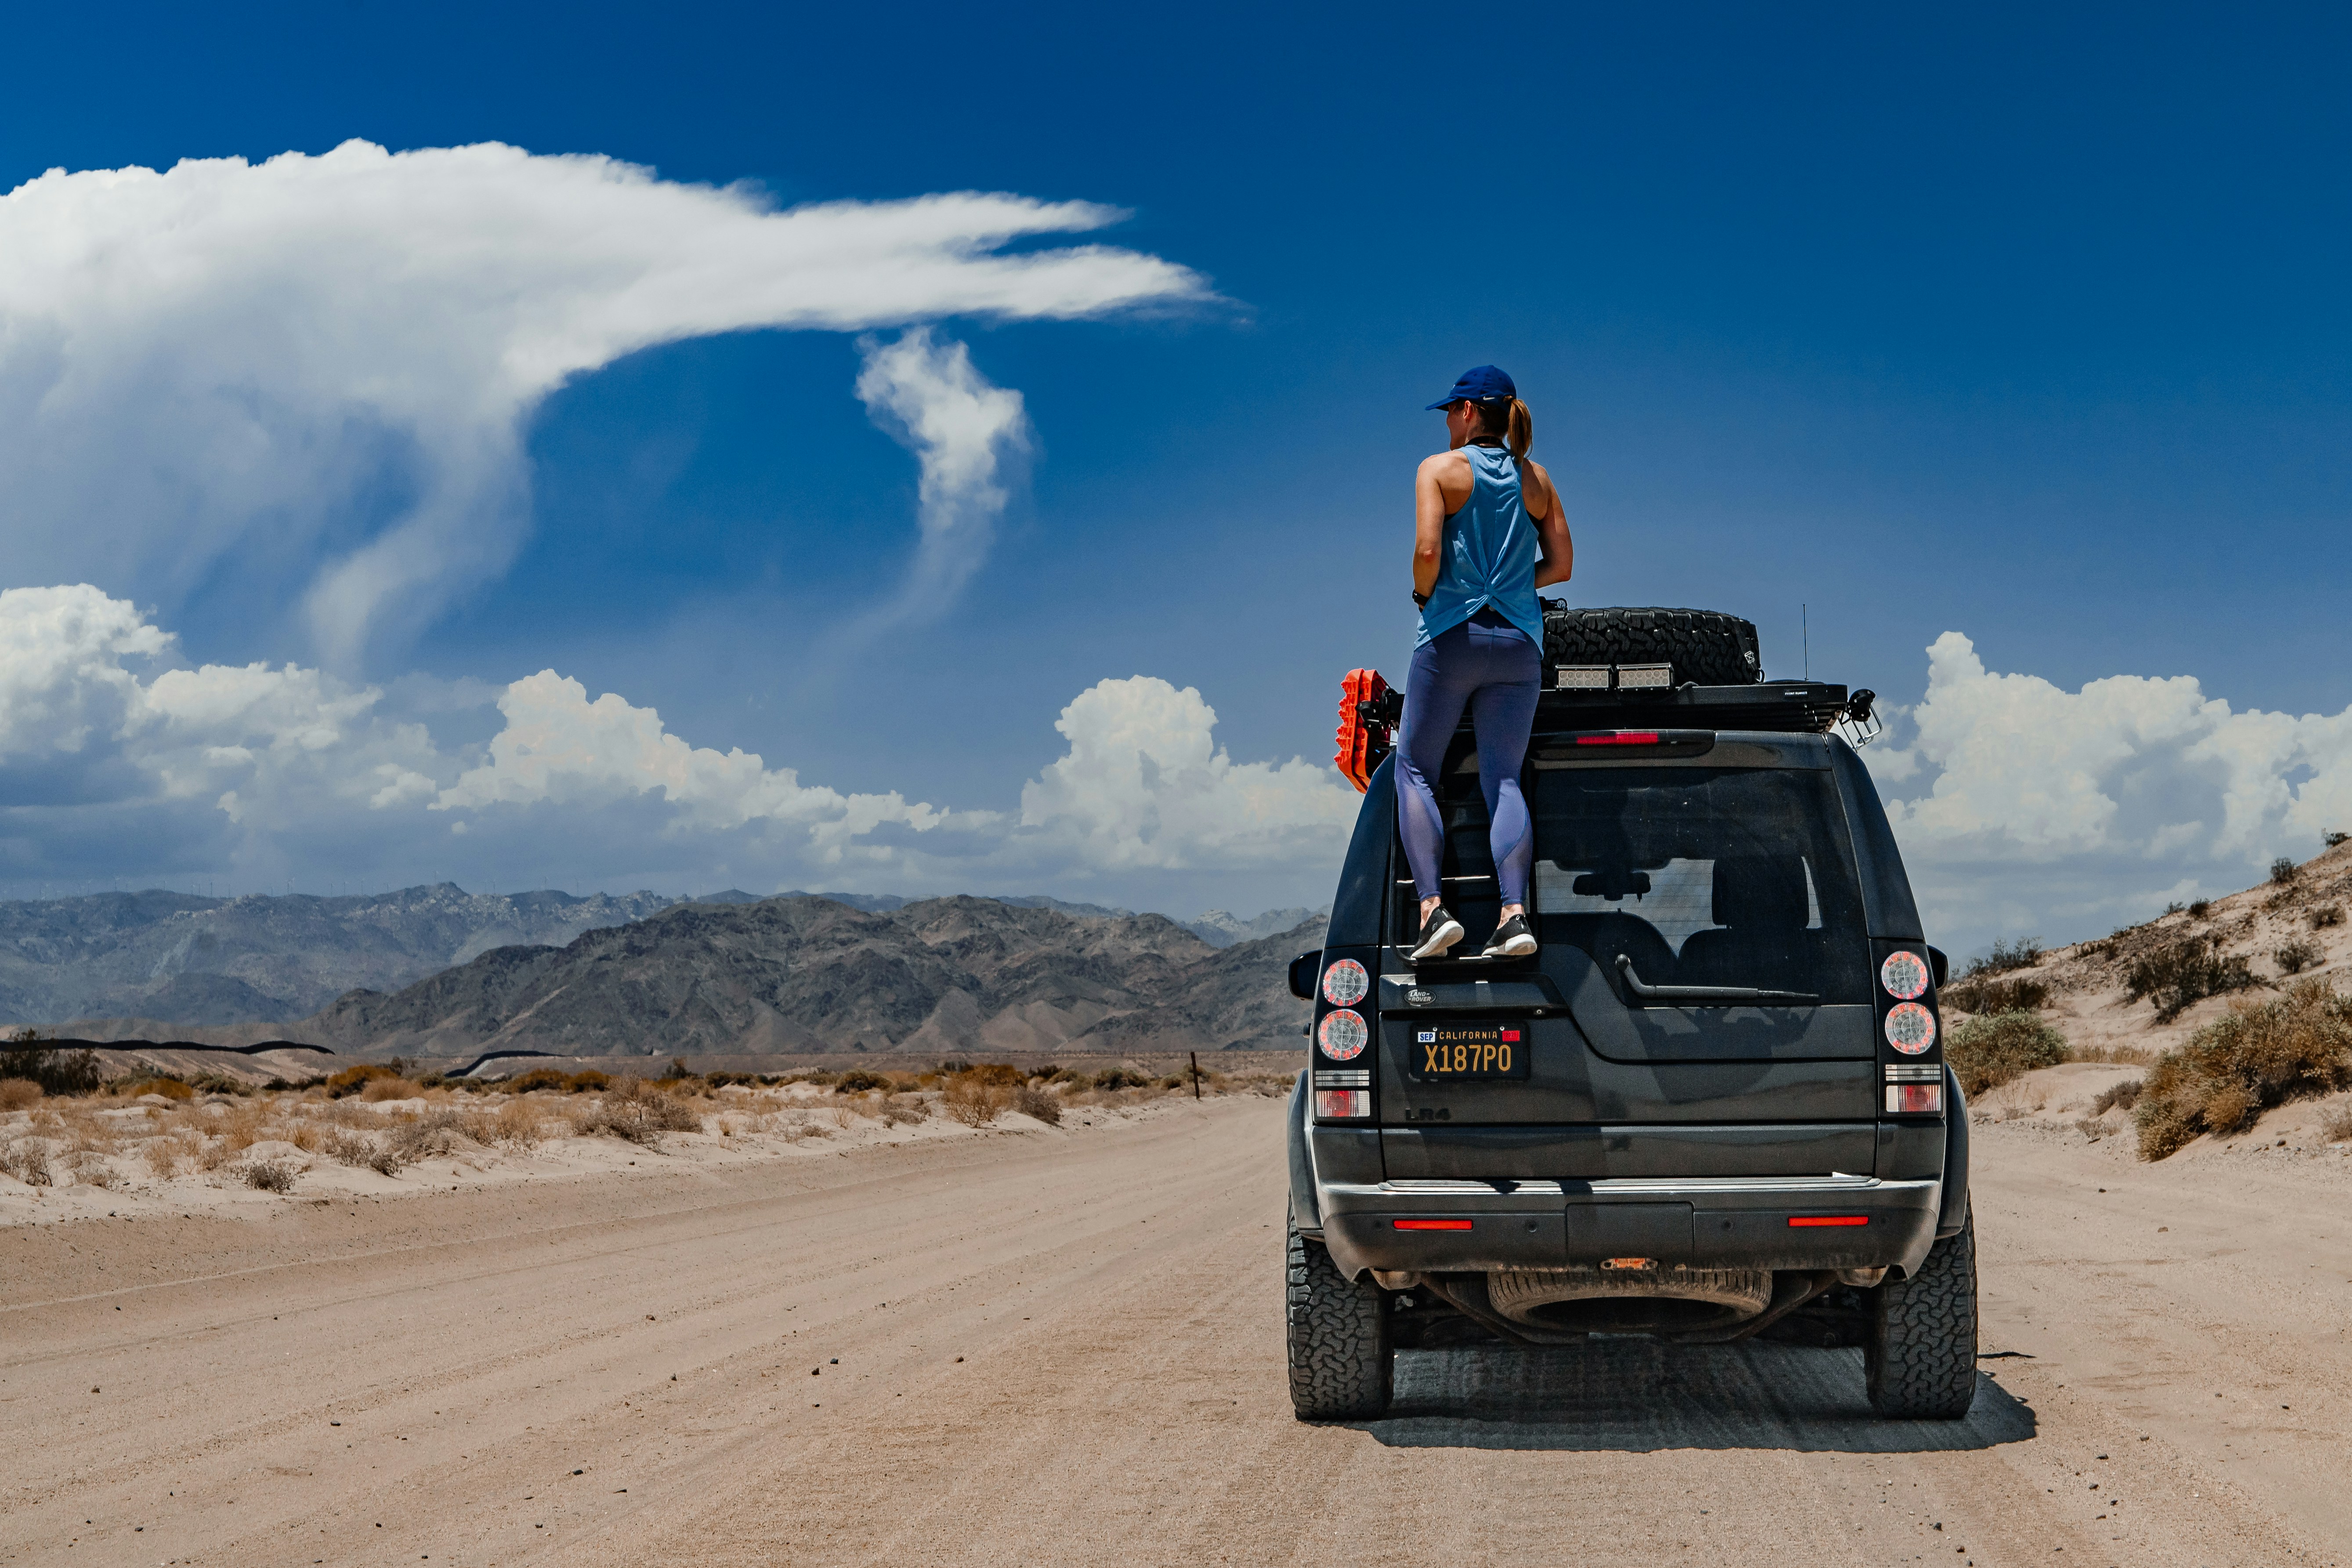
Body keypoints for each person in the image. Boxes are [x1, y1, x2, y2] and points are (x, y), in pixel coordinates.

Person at [1398, 365, 1574, 962]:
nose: (1447, 420)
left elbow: (1427, 551)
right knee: (1504, 778)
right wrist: (1514, 587)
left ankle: (1432, 910)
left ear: (1469, 411)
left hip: (1451, 637)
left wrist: (1424, 593)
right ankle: (1513, 914)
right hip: (1520, 644)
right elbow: (1562, 565)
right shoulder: (1537, 480)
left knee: (1414, 769)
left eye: (1451, 410)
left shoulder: (1438, 470)